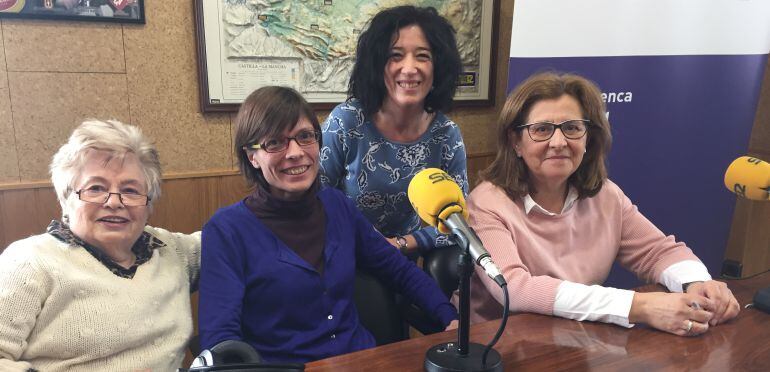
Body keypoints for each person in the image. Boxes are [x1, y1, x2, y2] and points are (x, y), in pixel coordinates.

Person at [465, 72, 740, 336]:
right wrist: (640, 306)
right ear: (516, 142)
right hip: (499, 345)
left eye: (572, 128)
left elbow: (658, 252)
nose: (558, 142)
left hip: (576, 339)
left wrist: (699, 284)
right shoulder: (487, 202)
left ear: (588, 138)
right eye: (542, 130)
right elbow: (514, 288)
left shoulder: (606, 196)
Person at [198, 86, 457, 363]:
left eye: (305, 137)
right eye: (274, 143)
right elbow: (221, 340)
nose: (296, 152)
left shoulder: (338, 206)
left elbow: (398, 270)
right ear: (252, 156)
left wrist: (449, 318)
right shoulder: (226, 231)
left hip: (362, 362)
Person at [0, 120, 200, 371]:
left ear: (149, 204)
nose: (114, 202)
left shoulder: (173, 251)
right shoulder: (29, 262)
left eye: (130, 190)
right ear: (66, 197)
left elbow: (234, 238)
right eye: (96, 188)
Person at [321, 5, 468, 256]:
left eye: (422, 56)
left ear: (438, 67)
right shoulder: (347, 122)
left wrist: (401, 244)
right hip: (344, 253)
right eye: (396, 55)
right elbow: (313, 201)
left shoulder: (446, 135)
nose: (409, 68)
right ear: (378, 65)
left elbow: (459, 223)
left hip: (403, 260)